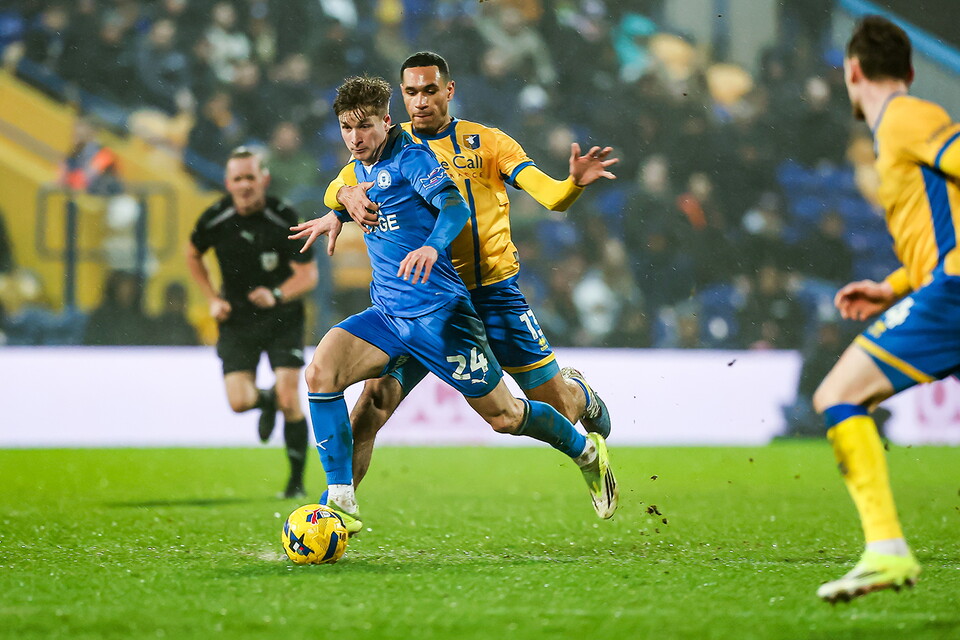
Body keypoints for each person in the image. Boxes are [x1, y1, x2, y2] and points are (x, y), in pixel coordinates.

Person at [290, 75, 617, 534]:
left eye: (363, 127)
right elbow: (341, 186)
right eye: (346, 128)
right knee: (325, 375)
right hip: (389, 315)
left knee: (507, 416)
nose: (354, 137)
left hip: (444, 315)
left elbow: (455, 208)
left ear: (387, 121)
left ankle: (585, 452)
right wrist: (339, 204)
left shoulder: (420, 156)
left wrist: (431, 247)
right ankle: (338, 504)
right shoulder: (361, 160)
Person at [811, 15, 960, 603]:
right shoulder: (899, 129)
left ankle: (886, 552)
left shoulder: (906, 116)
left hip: (952, 295)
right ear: (909, 66)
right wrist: (893, 287)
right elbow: (941, 226)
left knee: (837, 395)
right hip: (936, 287)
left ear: (853, 70)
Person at [186, 148, 318, 498]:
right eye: (237, 179)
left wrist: (276, 294)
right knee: (240, 402)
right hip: (237, 319)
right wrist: (212, 298)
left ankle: (295, 484)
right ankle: (266, 400)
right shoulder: (215, 218)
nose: (244, 185)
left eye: (250, 177)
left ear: (264, 179)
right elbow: (192, 253)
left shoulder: (284, 217)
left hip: (281, 317)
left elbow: (308, 276)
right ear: (228, 183)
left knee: (291, 397)